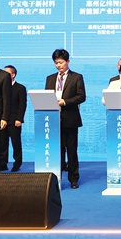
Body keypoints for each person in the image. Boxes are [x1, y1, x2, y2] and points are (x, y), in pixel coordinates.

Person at [45, 48, 86, 188]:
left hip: (70, 119)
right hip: (54, 120)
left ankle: (73, 179)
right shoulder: (50, 78)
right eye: (56, 63)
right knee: (57, 150)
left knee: (71, 150)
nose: (58, 65)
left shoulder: (76, 77)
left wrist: (65, 101)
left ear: (68, 61)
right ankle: (56, 179)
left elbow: (81, 96)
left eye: (61, 62)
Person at [4, 65, 27, 172]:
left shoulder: (20, 88)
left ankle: (17, 163)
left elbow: (22, 105)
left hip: (14, 120)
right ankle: (2, 163)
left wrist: (19, 119)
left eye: (7, 73)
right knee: (2, 143)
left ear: (13, 75)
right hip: (3, 120)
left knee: (16, 143)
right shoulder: (1, 87)